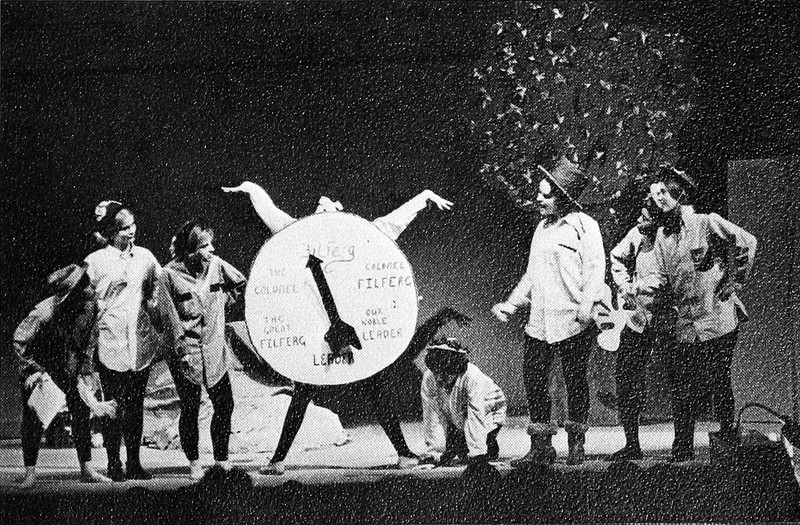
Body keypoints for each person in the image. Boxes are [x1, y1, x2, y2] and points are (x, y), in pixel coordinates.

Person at [222, 180, 454, 474]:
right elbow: (270, 212)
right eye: (320, 211)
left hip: (350, 332)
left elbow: (396, 220)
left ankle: (403, 453)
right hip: (319, 336)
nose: (323, 213)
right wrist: (252, 189)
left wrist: (423, 197)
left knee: (374, 391)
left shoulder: (361, 233)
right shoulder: (297, 233)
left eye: (328, 210)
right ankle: (278, 460)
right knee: (303, 396)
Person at [492, 157, 606, 466]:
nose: (539, 199)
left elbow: (595, 269)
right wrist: (512, 303)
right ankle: (541, 446)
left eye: (546, 195)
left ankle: (576, 442)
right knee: (534, 380)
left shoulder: (584, 225)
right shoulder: (542, 228)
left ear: (563, 197)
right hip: (540, 320)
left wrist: (587, 306)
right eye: (539, 194)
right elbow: (531, 274)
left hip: (573, 319)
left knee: (574, 380)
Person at [641, 166, 757, 462]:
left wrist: (735, 281)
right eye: (656, 194)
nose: (659, 198)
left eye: (664, 192)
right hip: (687, 323)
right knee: (683, 386)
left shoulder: (706, 222)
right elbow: (659, 277)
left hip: (717, 318)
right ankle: (682, 447)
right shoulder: (663, 237)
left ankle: (727, 442)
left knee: (720, 379)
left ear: (679, 193)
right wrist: (639, 289)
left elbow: (747, 241)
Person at [13, 263, 118, 487]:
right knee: (34, 417)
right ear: (73, 295)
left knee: (81, 411)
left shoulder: (90, 306)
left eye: (88, 283)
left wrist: (86, 372)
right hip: (41, 366)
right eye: (84, 287)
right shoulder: (44, 313)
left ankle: (86, 468)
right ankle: (30, 473)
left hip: (68, 366)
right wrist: (33, 371)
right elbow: (20, 341)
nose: (90, 289)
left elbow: (89, 342)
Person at [160, 219, 247, 479]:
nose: (211, 250)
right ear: (191, 250)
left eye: (211, 244)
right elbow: (169, 318)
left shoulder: (217, 266)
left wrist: (222, 303)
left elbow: (240, 283)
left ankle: (221, 460)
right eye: (205, 246)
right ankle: (194, 462)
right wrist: (182, 352)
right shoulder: (169, 274)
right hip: (187, 352)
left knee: (225, 404)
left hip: (214, 349)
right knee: (190, 408)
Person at [84, 200, 162, 481]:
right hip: (111, 341)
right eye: (124, 228)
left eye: (133, 225)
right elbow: (85, 301)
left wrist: (152, 307)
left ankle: (134, 462)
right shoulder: (95, 261)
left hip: (139, 343)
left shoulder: (145, 257)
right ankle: (114, 463)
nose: (131, 231)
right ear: (111, 232)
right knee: (113, 406)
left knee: (136, 406)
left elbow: (156, 288)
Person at [604, 191, 676, 461]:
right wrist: (625, 287)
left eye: (644, 217)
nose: (638, 221)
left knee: (678, 379)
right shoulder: (637, 235)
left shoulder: (672, 240)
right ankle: (631, 443)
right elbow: (617, 257)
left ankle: (683, 444)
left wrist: (644, 288)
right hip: (638, 318)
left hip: (669, 318)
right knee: (626, 377)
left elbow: (673, 278)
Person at [420, 337, 506, 466]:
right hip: (457, 409)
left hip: (489, 406)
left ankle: (489, 444)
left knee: (475, 456)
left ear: (456, 368)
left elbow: (476, 414)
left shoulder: (472, 376)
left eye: (445, 374)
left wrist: (477, 453)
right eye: (436, 372)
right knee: (454, 453)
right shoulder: (429, 378)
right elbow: (430, 415)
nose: (439, 378)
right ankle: (460, 442)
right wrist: (433, 452)